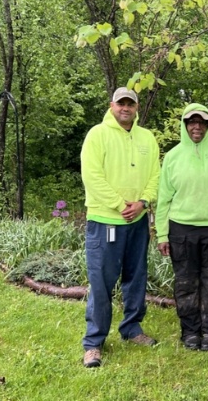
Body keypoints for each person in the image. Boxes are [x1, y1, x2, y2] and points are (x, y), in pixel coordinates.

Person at [80, 86, 160, 368]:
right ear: (112, 105)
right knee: (102, 281)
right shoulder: (97, 135)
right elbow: (92, 176)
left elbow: (155, 175)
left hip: (137, 222)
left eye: (131, 104)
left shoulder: (147, 138)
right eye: (121, 103)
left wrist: (142, 202)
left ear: (136, 108)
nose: (126, 108)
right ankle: (94, 343)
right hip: (106, 222)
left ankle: (132, 329)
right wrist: (119, 204)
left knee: (136, 276)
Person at [155, 103, 208, 351]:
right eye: (192, 122)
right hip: (181, 229)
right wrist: (162, 233)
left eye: (201, 122)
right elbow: (164, 199)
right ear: (185, 124)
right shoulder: (172, 157)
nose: (196, 126)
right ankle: (190, 331)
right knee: (186, 282)